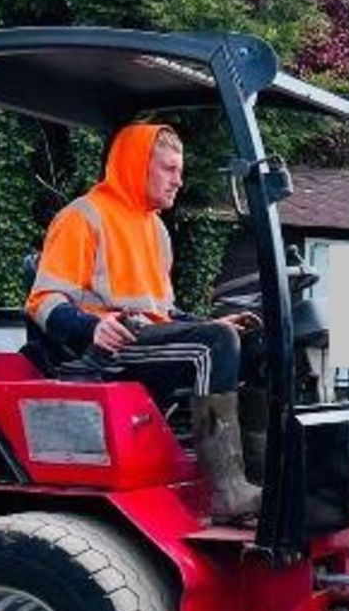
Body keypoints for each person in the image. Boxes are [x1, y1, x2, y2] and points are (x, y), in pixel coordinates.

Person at [27, 123, 265, 520]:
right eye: (169, 169)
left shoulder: (155, 230)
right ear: (138, 166)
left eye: (180, 170)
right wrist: (91, 327)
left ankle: (259, 478)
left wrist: (216, 322)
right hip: (102, 352)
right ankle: (227, 491)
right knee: (215, 345)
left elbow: (161, 312)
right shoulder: (83, 217)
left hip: (144, 339)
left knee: (256, 343)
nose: (179, 181)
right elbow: (42, 301)